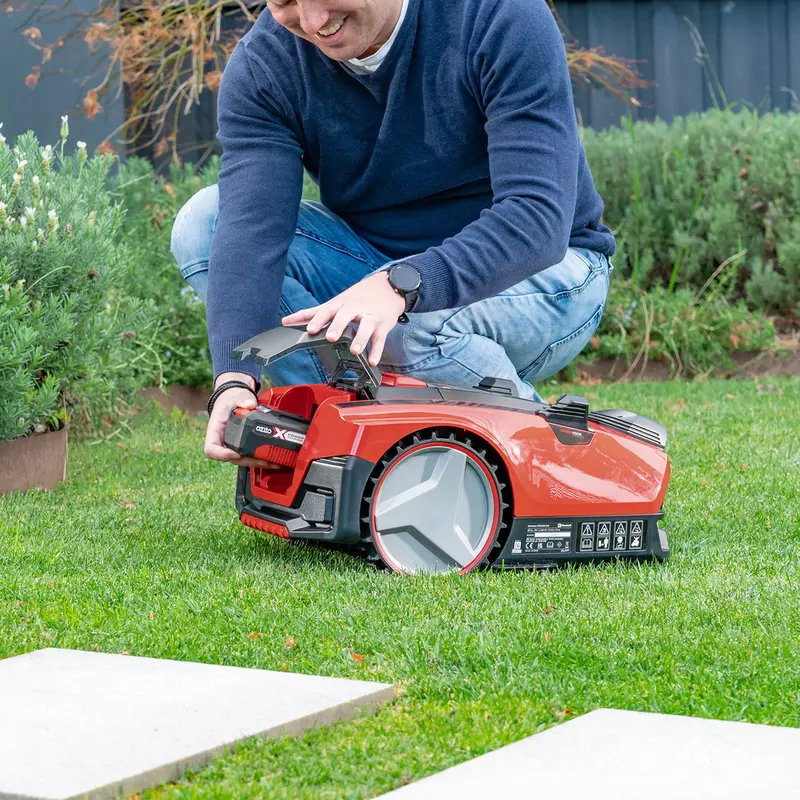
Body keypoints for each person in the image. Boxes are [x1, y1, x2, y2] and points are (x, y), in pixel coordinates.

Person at [170, 0, 616, 470]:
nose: (312, 21)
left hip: (551, 269)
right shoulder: (268, 63)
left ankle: (554, 465)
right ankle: (343, 447)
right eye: (284, 2)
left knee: (411, 325)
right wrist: (235, 378)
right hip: (374, 266)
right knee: (205, 222)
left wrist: (399, 286)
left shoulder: (499, 15)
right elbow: (249, 232)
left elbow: (535, 218)